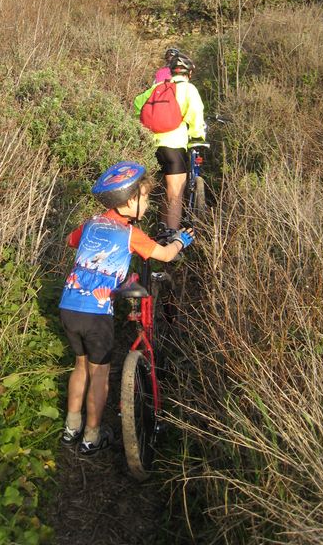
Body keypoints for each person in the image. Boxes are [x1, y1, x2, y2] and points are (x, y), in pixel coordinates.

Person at [59, 161, 195, 455]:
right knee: (99, 374)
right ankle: (92, 437)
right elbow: (164, 255)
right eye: (145, 197)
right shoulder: (131, 234)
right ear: (131, 201)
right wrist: (180, 241)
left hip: (68, 306)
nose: (147, 203)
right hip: (96, 314)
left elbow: (71, 241)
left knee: (80, 366)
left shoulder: (91, 223)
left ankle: (71, 428)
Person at [136, 53, 205, 230]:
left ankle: (157, 228)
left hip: (151, 146)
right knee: (175, 193)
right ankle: (171, 235)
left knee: (156, 189)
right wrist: (197, 136)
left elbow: (137, 104)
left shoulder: (157, 88)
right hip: (174, 146)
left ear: (171, 71)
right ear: (189, 73)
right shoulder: (189, 89)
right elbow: (196, 115)